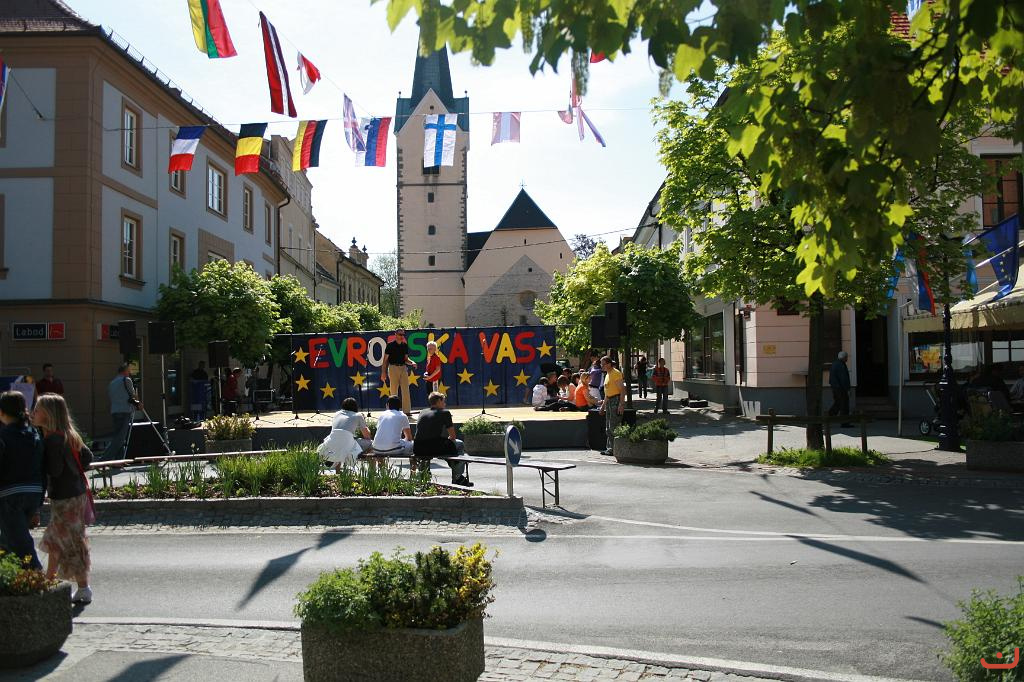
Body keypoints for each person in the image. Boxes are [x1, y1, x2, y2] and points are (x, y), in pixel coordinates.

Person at [32, 394, 93, 604]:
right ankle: (54, 583)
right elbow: (87, 457)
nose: (33, 413)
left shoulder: (52, 440)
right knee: (63, 539)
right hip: (76, 493)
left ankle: (68, 587)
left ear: (48, 414)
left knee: (64, 540)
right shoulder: (69, 434)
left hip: (64, 496)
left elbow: (55, 470)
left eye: (37, 410)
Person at [0, 391, 45, 570]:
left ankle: (37, 577)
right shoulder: (33, 433)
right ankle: (8, 576)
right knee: (8, 539)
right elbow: (42, 466)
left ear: (2, 412)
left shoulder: (3, 436)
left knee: (19, 542)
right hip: (34, 491)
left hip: (10, 494)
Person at [413, 392, 471, 486]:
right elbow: (453, 436)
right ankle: (457, 477)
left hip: (417, 448)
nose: (445, 404)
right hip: (433, 447)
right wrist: (449, 440)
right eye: (444, 401)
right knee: (459, 444)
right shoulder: (445, 412)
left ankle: (424, 476)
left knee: (431, 448)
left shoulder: (423, 412)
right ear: (439, 401)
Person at [103, 364, 139, 460]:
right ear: (124, 371)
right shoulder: (126, 380)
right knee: (120, 438)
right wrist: (138, 403)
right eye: (128, 371)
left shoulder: (112, 383)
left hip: (115, 411)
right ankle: (103, 460)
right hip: (125, 411)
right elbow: (133, 395)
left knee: (119, 436)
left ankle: (119, 460)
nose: (129, 373)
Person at [381, 329, 417, 416]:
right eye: (400, 334)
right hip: (393, 367)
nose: (402, 336)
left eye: (403, 335)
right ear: (395, 334)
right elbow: (385, 360)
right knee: (393, 390)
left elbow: (406, 359)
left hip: (403, 367)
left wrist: (412, 362)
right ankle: (393, 410)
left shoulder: (404, 345)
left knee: (405, 389)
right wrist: (383, 372)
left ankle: (406, 411)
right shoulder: (390, 345)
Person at [599, 356, 625, 455]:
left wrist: (621, 404)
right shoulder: (607, 374)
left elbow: (622, 390)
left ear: (609, 364)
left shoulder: (616, 373)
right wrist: (603, 406)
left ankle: (618, 449)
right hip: (609, 400)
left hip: (615, 400)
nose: (601, 366)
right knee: (608, 427)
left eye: (603, 364)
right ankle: (611, 449)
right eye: (601, 364)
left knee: (614, 426)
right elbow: (607, 393)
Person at [828, 351, 852, 427]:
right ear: (844, 358)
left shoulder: (834, 364)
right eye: (846, 357)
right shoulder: (841, 365)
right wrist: (847, 389)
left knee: (838, 403)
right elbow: (844, 379)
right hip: (841, 388)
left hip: (835, 387)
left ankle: (829, 416)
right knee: (844, 405)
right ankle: (844, 422)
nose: (847, 359)